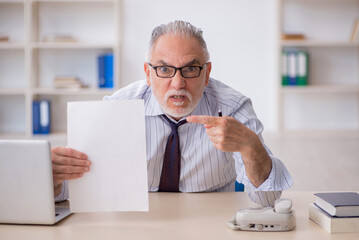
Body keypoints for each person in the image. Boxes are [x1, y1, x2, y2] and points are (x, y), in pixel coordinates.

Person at [52, 20, 293, 206]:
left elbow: (268, 200)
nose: (177, 84)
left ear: (207, 73)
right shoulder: (117, 108)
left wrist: (251, 147)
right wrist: (53, 179)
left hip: (210, 222)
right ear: (148, 73)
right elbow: (73, 191)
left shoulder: (234, 109)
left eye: (190, 69)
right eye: (165, 69)